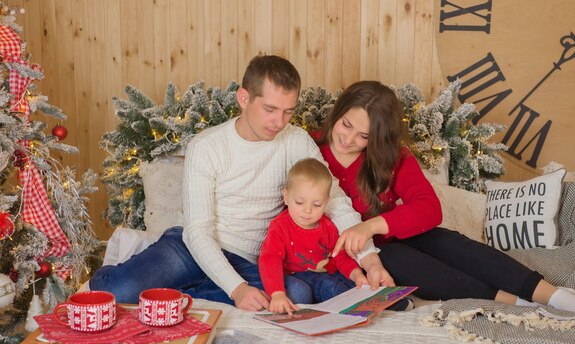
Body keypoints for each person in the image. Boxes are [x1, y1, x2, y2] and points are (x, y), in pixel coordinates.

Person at [89, 55, 392, 311]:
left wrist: (371, 261)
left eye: (288, 111)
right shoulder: (208, 146)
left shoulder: (296, 141)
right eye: (270, 109)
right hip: (192, 247)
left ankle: (184, 295)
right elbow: (198, 232)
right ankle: (181, 281)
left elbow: (336, 202)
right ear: (244, 98)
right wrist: (236, 291)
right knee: (115, 291)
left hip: (250, 261)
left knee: (297, 295)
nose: (279, 122)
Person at [318, 80, 575, 317]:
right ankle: (516, 303)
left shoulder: (391, 158)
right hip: (365, 254)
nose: (348, 139)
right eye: (346, 125)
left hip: (391, 232)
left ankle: (555, 296)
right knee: (405, 261)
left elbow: (430, 209)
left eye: (363, 136)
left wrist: (371, 226)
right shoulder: (311, 150)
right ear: (338, 113)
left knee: (451, 244)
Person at [259, 158, 365, 314]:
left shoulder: (327, 225)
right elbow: (270, 259)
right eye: (300, 202)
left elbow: (340, 255)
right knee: (326, 287)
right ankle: (355, 306)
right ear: (286, 197)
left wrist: (356, 274)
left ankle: (383, 299)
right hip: (297, 275)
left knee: (353, 281)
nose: (307, 211)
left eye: (316, 205)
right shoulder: (280, 226)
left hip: (326, 271)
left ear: (326, 202)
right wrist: (277, 294)